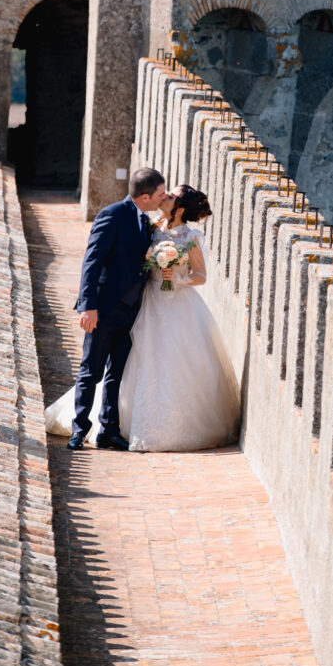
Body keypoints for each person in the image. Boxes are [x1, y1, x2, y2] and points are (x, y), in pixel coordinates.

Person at [45, 184, 241, 452]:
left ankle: (158, 426)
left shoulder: (190, 236)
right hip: (145, 303)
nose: (165, 197)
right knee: (127, 365)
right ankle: (106, 425)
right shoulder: (152, 227)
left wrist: (179, 277)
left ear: (180, 208)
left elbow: (201, 275)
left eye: (170, 196)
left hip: (177, 307)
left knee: (170, 362)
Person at [64, 167, 166, 451]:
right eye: (160, 194)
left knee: (116, 373)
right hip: (104, 309)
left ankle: (108, 430)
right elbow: (92, 262)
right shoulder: (111, 215)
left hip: (132, 311)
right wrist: (88, 307)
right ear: (145, 196)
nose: (164, 198)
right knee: (90, 371)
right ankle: (79, 429)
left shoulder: (147, 222)